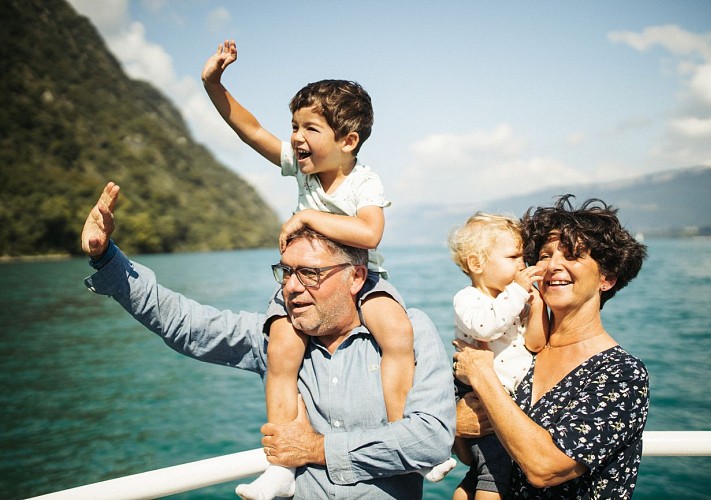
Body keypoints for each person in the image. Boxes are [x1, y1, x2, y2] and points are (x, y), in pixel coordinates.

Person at [80, 182, 455, 499]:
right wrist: (106, 258)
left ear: (356, 277)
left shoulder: (411, 331)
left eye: (309, 273)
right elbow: (185, 323)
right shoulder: (276, 338)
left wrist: (317, 449)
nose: (292, 287)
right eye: (286, 272)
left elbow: (430, 439)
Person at [200, 41, 422, 497]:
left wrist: (307, 218)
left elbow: (370, 234)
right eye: (295, 126)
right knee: (282, 348)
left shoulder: (364, 182)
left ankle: (405, 435)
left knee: (398, 333)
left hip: (364, 280)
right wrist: (213, 83)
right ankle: (281, 466)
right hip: (307, 278)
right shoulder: (301, 170)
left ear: (347, 141)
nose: (297, 137)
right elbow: (251, 130)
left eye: (310, 128)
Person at [452, 195, 649, 499]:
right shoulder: (519, 352)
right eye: (544, 255)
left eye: (572, 255)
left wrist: (481, 375)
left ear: (606, 278)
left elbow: (544, 467)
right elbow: (470, 456)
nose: (553, 266)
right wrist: (457, 426)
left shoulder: (621, 374)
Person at [447, 213, 548, 500]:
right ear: (476, 263)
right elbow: (486, 327)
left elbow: (536, 343)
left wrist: (537, 306)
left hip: (504, 396)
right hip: (478, 393)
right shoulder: (468, 299)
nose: (522, 264)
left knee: (482, 472)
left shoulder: (514, 300)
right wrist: (517, 291)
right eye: (513, 256)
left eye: (523, 257)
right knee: (496, 472)